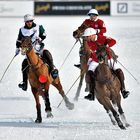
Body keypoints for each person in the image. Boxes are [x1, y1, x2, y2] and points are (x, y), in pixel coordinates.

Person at [82, 28, 130, 100]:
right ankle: (91, 93)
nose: (86, 38)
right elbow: (93, 52)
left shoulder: (102, 38)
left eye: (87, 36)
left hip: (108, 59)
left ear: (92, 35)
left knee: (119, 71)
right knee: (89, 73)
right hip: (96, 60)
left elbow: (113, 41)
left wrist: (107, 45)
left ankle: (123, 90)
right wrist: (90, 59)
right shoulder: (89, 42)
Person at [15, 14, 58, 91]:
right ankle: (24, 83)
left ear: (32, 21)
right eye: (27, 21)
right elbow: (19, 40)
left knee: (47, 54)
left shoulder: (39, 27)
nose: (29, 23)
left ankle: (52, 71)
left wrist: (40, 38)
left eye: (30, 21)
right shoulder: (22, 30)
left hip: (38, 48)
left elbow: (44, 35)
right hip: (28, 51)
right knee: (24, 64)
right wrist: (17, 48)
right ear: (25, 22)